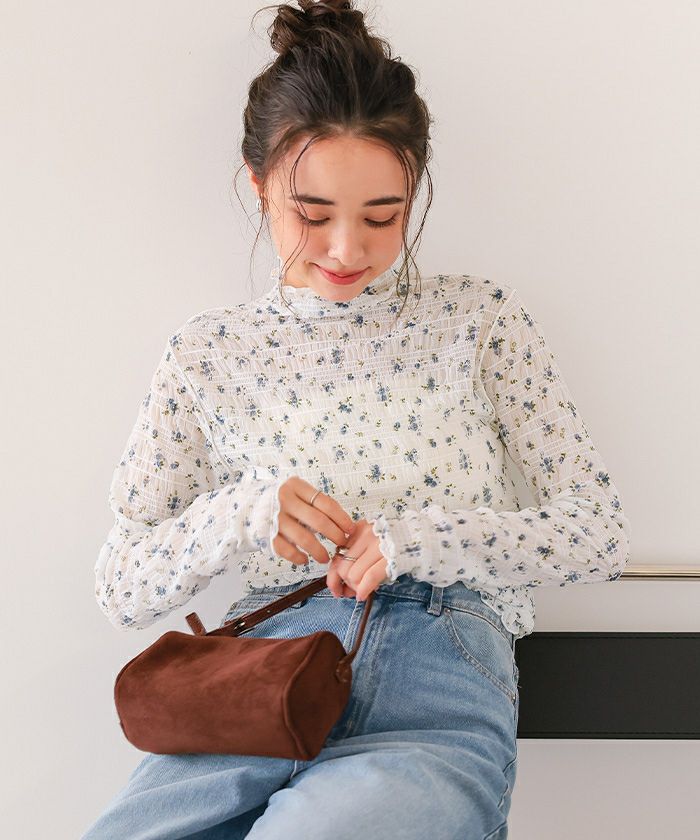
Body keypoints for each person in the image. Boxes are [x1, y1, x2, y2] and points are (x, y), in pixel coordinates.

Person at [81, 1, 632, 837]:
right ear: (258, 184)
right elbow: (121, 586)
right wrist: (243, 513)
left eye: (383, 216)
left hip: (435, 673)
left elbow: (597, 533)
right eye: (312, 215)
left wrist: (421, 539)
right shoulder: (208, 353)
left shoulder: (479, 322)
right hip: (255, 683)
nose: (347, 250)